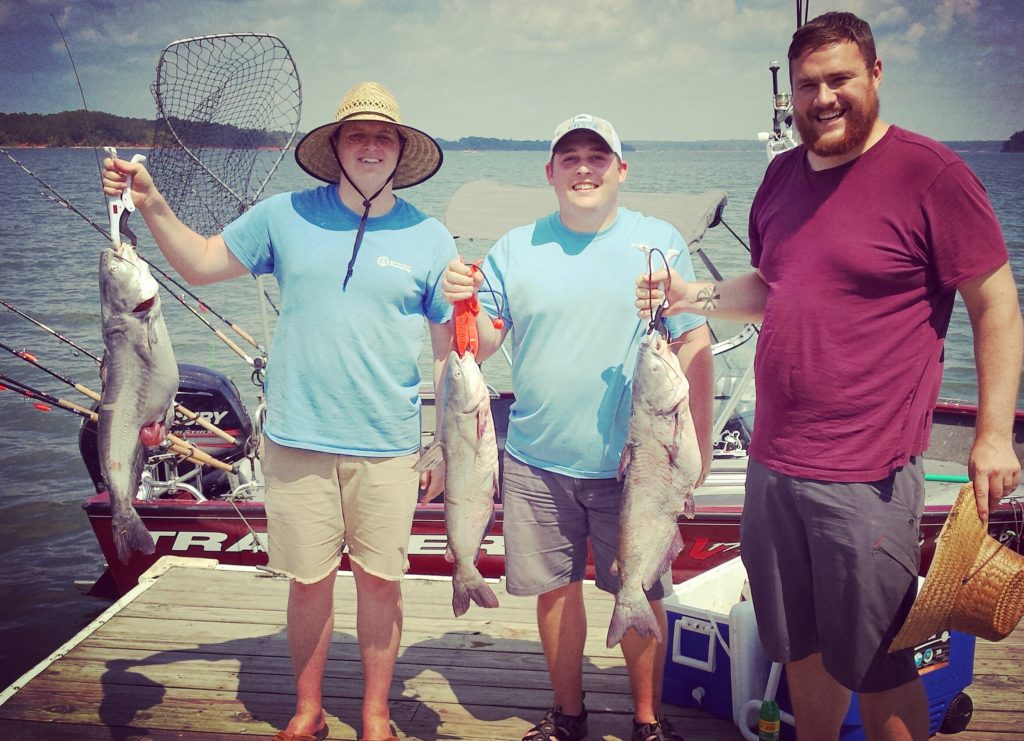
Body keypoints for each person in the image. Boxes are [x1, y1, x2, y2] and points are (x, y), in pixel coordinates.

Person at [635, 12, 1022, 741]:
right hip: (774, 464)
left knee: (880, 662)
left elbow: (996, 302)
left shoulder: (930, 174)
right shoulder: (781, 176)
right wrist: (692, 297)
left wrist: (994, 433)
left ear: (876, 75)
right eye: (809, 84)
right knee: (800, 650)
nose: (824, 97)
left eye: (840, 78)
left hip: (867, 476)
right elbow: (773, 285)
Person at [102, 81, 456, 741]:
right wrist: (150, 204)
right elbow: (204, 261)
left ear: (400, 149)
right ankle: (308, 708)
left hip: (387, 444)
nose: (371, 146)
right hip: (296, 439)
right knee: (307, 583)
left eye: (384, 136)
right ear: (336, 147)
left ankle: (376, 714)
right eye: (358, 134)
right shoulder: (284, 215)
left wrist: (438, 444)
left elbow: (449, 353)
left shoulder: (430, 237)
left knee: (381, 585)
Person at [443, 114, 714, 741]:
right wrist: (460, 298)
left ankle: (648, 721)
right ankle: (568, 715)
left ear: (622, 170)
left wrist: (693, 453)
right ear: (550, 173)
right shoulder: (516, 247)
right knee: (554, 593)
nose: (584, 168)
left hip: (638, 467)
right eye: (570, 158)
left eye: (599, 156)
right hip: (537, 460)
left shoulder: (658, 240)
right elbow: (479, 346)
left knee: (643, 588)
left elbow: (694, 339)